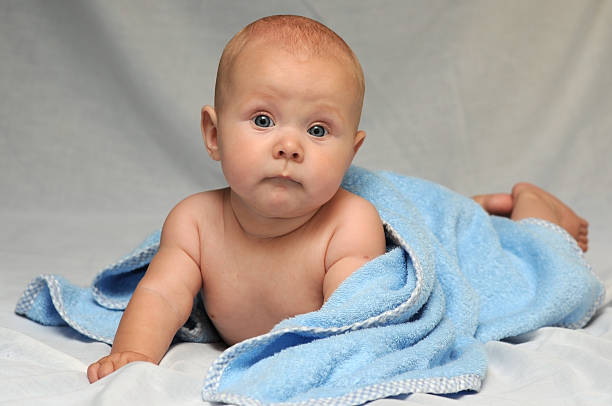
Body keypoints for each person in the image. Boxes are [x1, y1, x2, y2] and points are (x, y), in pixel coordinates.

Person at [87, 15, 588, 383]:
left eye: (319, 129)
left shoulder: (348, 224)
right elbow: (160, 296)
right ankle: (476, 208)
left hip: (442, 232)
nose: (289, 145)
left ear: (352, 152)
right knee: (471, 218)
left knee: (530, 275)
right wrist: (132, 356)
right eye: (263, 120)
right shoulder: (195, 222)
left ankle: (534, 211)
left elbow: (359, 325)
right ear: (213, 134)